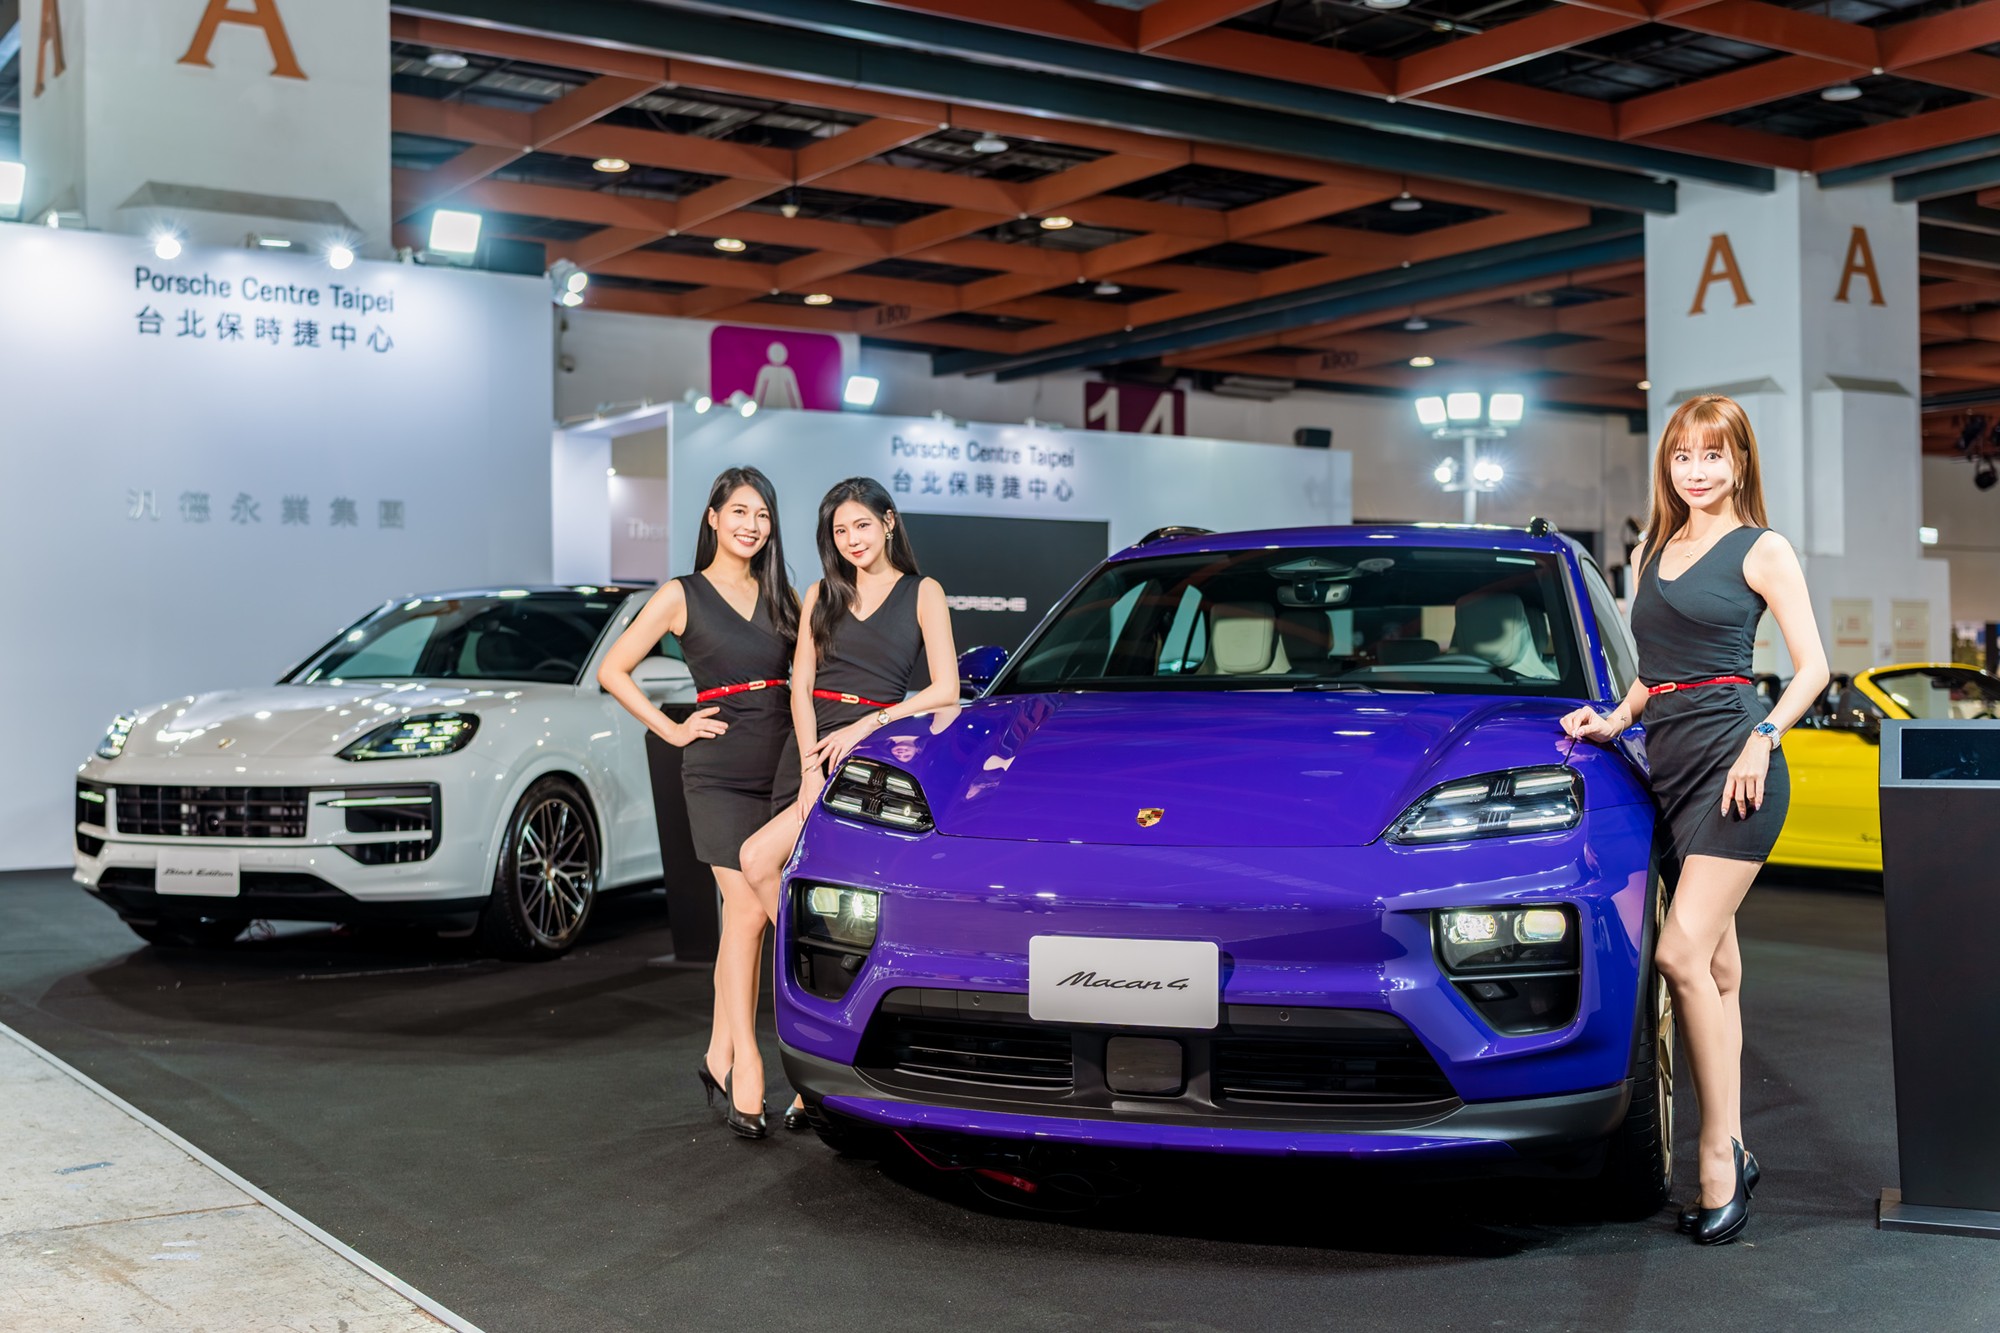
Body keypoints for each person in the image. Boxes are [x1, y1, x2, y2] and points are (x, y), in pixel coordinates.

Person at [1562, 395, 1828, 1246]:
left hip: (1736, 766)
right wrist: (1614, 718)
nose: (1697, 470)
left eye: (1714, 454)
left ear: (1740, 461)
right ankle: (1736, 1144)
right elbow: (1657, 672)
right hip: (1671, 767)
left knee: (1679, 953)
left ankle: (1716, 1156)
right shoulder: (1654, 548)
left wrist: (1763, 738)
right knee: (1718, 966)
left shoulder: (1763, 548)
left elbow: (1813, 667)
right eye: (1683, 455)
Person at [738, 476, 961, 1129]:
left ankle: (828, 1044)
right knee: (777, 875)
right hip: (810, 751)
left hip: (868, 755)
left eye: (862, 525)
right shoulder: (821, 593)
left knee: (765, 862)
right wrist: (810, 769)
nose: (852, 540)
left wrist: (870, 724)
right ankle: (832, 1020)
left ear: (888, 522)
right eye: (840, 531)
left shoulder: (923, 592)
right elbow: (801, 685)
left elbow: (945, 688)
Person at [597, 467, 799, 1141]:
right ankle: (749, 1065)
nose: (751, 525)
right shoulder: (680, 594)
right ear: (713, 517)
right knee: (747, 907)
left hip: (780, 771)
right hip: (717, 774)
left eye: (762, 515)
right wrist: (672, 728)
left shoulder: (782, 594)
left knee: (747, 920)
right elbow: (613, 670)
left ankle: (718, 1054)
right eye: (739, 511)